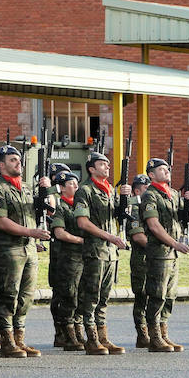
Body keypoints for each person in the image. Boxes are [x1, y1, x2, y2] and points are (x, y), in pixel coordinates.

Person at [0, 144, 51, 358]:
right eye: (13, 160)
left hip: (28, 249)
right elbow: (1, 221)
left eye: (19, 159)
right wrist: (31, 232)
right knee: (8, 294)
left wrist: (47, 190)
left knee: (26, 295)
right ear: (1, 164)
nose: (18, 163)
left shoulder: (25, 188)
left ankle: (19, 339)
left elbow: (48, 209)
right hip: (9, 249)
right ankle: (6, 341)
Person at [75, 151, 130, 355]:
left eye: (108, 164)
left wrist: (125, 197)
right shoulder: (86, 191)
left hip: (109, 252)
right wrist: (109, 237)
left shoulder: (109, 190)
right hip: (95, 250)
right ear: (91, 168)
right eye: (102, 164)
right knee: (91, 296)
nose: (107, 167)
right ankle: (91, 338)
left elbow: (119, 214)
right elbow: (83, 222)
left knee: (104, 297)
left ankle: (103, 337)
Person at [140, 158, 189, 352]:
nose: (167, 171)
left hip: (172, 253)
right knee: (157, 294)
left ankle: (164, 333)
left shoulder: (172, 194)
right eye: (161, 169)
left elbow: (183, 218)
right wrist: (174, 244)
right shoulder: (150, 195)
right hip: (159, 252)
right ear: (151, 175)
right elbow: (153, 225)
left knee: (170, 295)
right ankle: (154, 336)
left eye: (168, 169)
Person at [48, 165, 85, 351]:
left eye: (76, 183)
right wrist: (80, 240)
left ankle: (78, 331)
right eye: (71, 184)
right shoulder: (61, 207)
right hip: (67, 258)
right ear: (61, 188)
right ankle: (66, 334)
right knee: (68, 295)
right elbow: (60, 233)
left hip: (81, 258)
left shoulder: (80, 207)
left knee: (79, 295)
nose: (75, 187)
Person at [127, 174, 151, 348]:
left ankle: (155, 331)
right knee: (142, 296)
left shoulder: (151, 207)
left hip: (155, 257)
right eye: (145, 188)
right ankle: (142, 334)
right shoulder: (135, 209)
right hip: (142, 257)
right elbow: (138, 236)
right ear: (137, 191)